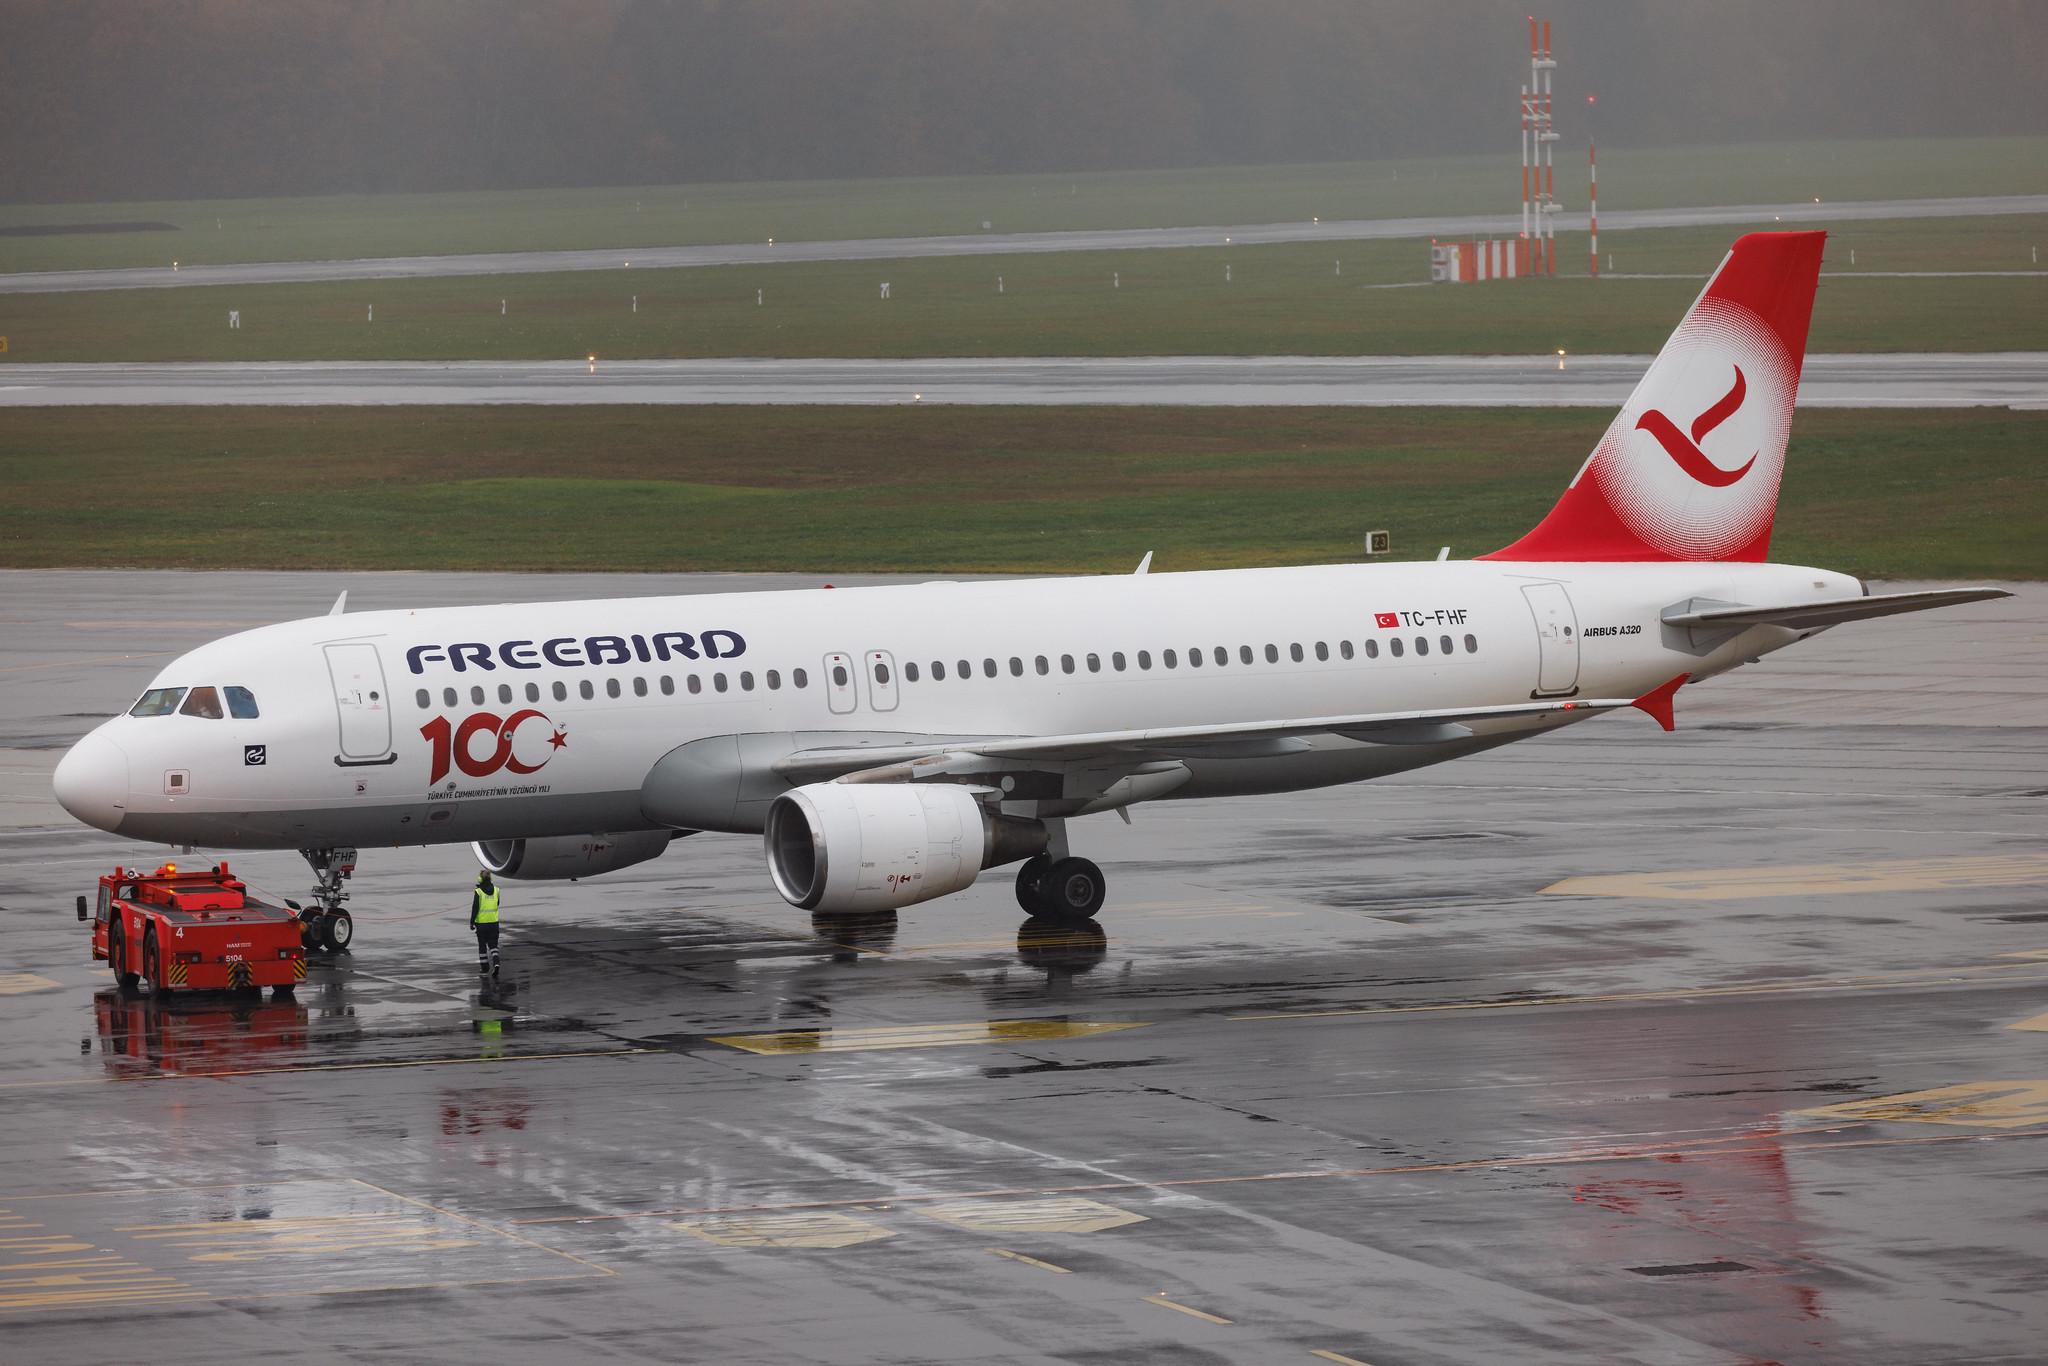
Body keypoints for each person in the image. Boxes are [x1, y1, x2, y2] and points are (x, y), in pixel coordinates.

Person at [470, 872, 501, 976]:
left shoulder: (478, 892)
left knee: (482, 946)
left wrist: (472, 922)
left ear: (480, 879)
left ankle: (485, 968)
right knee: (493, 945)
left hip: (482, 924)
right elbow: (497, 903)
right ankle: (496, 963)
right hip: (494, 923)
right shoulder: (496, 890)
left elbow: (475, 908)